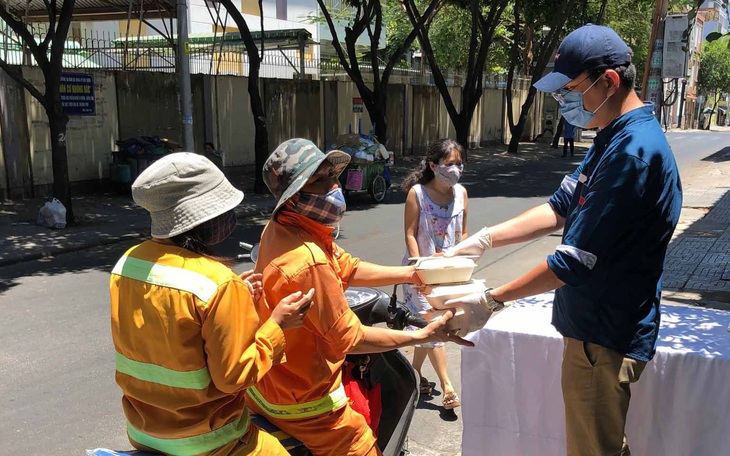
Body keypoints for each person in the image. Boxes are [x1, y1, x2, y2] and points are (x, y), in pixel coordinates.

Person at [444, 25, 682, 456]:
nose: (566, 101)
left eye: (571, 89)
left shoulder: (632, 153)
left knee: (592, 449)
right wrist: (483, 239)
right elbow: (559, 207)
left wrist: (490, 301)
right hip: (593, 330)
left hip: (604, 337)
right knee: (598, 442)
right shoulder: (612, 136)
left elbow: (572, 262)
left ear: (608, 80)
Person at [247, 138, 472, 456]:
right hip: (305, 402)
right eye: (320, 181)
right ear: (294, 197)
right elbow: (349, 339)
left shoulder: (283, 227)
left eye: (332, 176)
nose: (334, 186)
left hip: (272, 384)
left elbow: (348, 268)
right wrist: (420, 335)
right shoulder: (306, 258)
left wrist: (411, 273)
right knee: (364, 447)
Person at [109, 152, 316, 456]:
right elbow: (233, 378)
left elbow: (169, 327)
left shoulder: (128, 263)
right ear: (203, 219)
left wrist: (233, 297)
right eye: (223, 210)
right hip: (213, 442)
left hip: (143, 433)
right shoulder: (217, 283)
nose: (230, 216)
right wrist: (278, 325)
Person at [400, 138, 468, 410]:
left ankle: (412, 376)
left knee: (425, 329)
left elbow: (463, 233)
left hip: (449, 275)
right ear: (433, 165)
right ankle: (447, 387)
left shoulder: (461, 193)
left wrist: (462, 262)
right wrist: (419, 267)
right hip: (420, 275)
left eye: (459, 164)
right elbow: (409, 233)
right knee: (436, 325)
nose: (455, 169)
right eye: (449, 164)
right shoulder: (417, 194)